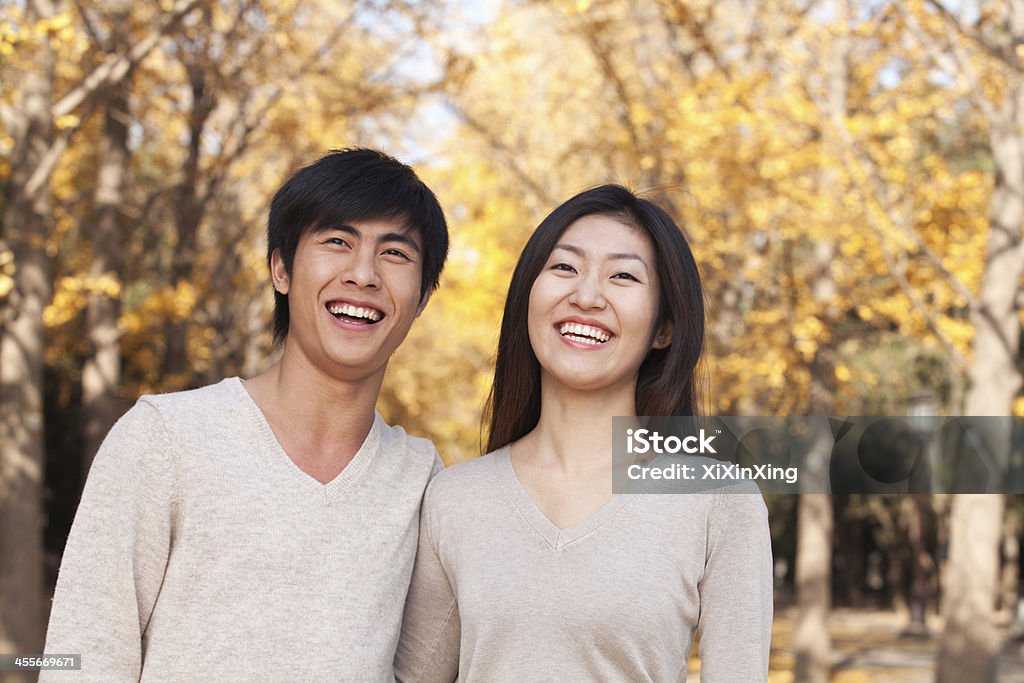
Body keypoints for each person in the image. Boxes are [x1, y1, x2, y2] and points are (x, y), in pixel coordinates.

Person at [42, 148, 449, 681]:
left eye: (395, 254)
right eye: (337, 242)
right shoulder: (164, 438)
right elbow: (81, 656)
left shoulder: (420, 479)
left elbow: (422, 672)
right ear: (281, 268)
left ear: (420, 298)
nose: (364, 274)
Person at [394, 185, 772, 681]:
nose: (586, 296)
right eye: (564, 268)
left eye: (623, 276)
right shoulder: (455, 499)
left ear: (665, 329)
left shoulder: (718, 502)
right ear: (529, 297)